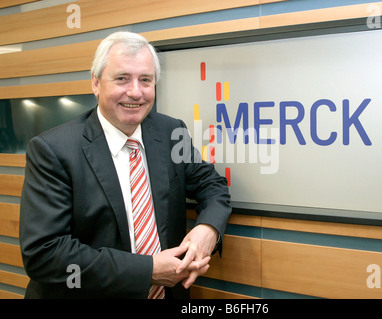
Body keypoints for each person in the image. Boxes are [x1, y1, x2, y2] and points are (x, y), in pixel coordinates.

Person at [19, 31, 232, 299]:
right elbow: (45, 254)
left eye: (146, 80)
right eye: (122, 78)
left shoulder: (170, 132)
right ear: (96, 83)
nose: (136, 92)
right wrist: (148, 271)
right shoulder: (53, 150)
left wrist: (208, 230)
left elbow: (212, 185)